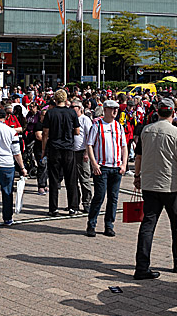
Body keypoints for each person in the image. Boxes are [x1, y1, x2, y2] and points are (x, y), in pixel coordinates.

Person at [133, 99, 177, 280]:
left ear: (157, 112)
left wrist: (137, 176)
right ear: (173, 112)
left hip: (150, 184)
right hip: (171, 185)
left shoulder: (146, 130)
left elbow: (138, 156)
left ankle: (142, 266)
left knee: (148, 225)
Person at [85, 99, 127, 237]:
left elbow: (124, 146)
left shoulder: (119, 126)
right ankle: (91, 224)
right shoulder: (97, 125)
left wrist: (124, 164)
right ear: (105, 110)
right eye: (112, 108)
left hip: (116, 167)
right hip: (102, 167)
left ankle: (109, 225)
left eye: (116, 109)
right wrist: (94, 163)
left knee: (113, 198)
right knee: (99, 196)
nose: (115, 111)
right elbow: (89, 144)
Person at [40, 90, 81, 216]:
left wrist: (43, 149)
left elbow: (45, 133)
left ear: (55, 99)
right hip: (68, 148)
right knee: (71, 179)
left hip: (54, 147)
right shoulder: (72, 113)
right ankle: (73, 207)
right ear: (66, 99)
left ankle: (53, 208)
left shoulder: (50, 113)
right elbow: (77, 131)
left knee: (53, 179)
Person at [72, 100, 94, 213]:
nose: (72, 109)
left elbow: (89, 136)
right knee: (73, 179)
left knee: (84, 178)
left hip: (82, 152)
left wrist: (87, 152)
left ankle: (87, 202)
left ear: (80, 108)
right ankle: (74, 203)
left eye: (74, 107)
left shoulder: (85, 119)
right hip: (72, 152)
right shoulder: (71, 119)